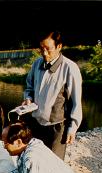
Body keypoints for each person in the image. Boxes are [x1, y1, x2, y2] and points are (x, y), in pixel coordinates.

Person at [21, 30, 82, 159]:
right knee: (35, 159)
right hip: (36, 123)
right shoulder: (37, 64)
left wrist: (73, 127)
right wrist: (28, 98)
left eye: (48, 49)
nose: (44, 53)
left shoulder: (70, 68)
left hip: (57, 127)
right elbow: (29, 87)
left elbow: (75, 102)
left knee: (53, 164)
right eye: (41, 49)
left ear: (59, 46)